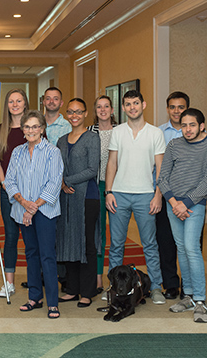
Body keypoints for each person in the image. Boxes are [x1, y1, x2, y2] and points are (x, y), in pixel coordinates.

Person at [105, 89, 166, 304]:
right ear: (123, 108)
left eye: (136, 103)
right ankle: (113, 287)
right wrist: (109, 192)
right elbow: (112, 163)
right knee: (116, 245)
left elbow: (160, 168)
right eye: (128, 104)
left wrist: (158, 195)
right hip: (119, 195)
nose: (132, 107)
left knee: (149, 244)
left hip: (146, 195)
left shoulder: (155, 133)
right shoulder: (118, 131)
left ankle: (157, 287)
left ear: (144, 105)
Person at [158, 108, 207, 323]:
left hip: (194, 205)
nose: (188, 129)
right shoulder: (174, 145)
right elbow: (163, 177)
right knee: (181, 248)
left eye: (192, 125)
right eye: (184, 125)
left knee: (192, 248)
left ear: (202, 126)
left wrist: (187, 203)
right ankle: (189, 295)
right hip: (173, 204)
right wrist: (174, 202)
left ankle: (200, 300)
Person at [5, 110, 63, 319]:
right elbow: (9, 180)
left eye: (35, 126)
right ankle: (35, 298)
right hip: (23, 210)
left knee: (47, 255)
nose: (31, 130)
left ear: (42, 129)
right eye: (27, 127)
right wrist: (23, 202)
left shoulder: (52, 152)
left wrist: (34, 206)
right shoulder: (17, 152)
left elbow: (54, 182)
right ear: (22, 130)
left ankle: (53, 303)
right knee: (31, 254)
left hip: (45, 211)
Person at [56, 98, 100, 308]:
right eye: (71, 112)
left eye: (78, 112)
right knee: (67, 240)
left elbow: (93, 169)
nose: (74, 116)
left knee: (86, 243)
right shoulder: (62, 141)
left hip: (86, 197)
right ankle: (72, 289)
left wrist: (67, 180)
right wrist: (61, 183)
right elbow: (57, 167)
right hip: (65, 197)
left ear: (85, 114)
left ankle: (87, 291)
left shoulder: (92, 138)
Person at [156, 91, 190, 300]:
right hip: (164, 195)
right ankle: (170, 284)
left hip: (189, 199)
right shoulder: (158, 133)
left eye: (181, 107)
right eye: (173, 107)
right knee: (165, 242)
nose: (177, 111)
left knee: (190, 244)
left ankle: (189, 285)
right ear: (167, 109)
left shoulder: (194, 131)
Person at [0, 88, 28, 297]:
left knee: (30, 237)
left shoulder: (33, 128)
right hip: (8, 190)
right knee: (10, 236)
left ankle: (35, 279)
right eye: (11, 101)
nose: (15, 105)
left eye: (18, 101)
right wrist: (5, 183)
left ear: (25, 103)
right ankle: (9, 283)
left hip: (29, 193)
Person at [87, 95, 117, 293]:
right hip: (95, 186)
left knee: (117, 234)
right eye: (99, 106)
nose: (103, 110)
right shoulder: (89, 132)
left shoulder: (121, 131)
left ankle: (115, 279)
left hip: (116, 187)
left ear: (112, 109)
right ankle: (97, 278)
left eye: (106, 106)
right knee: (98, 234)